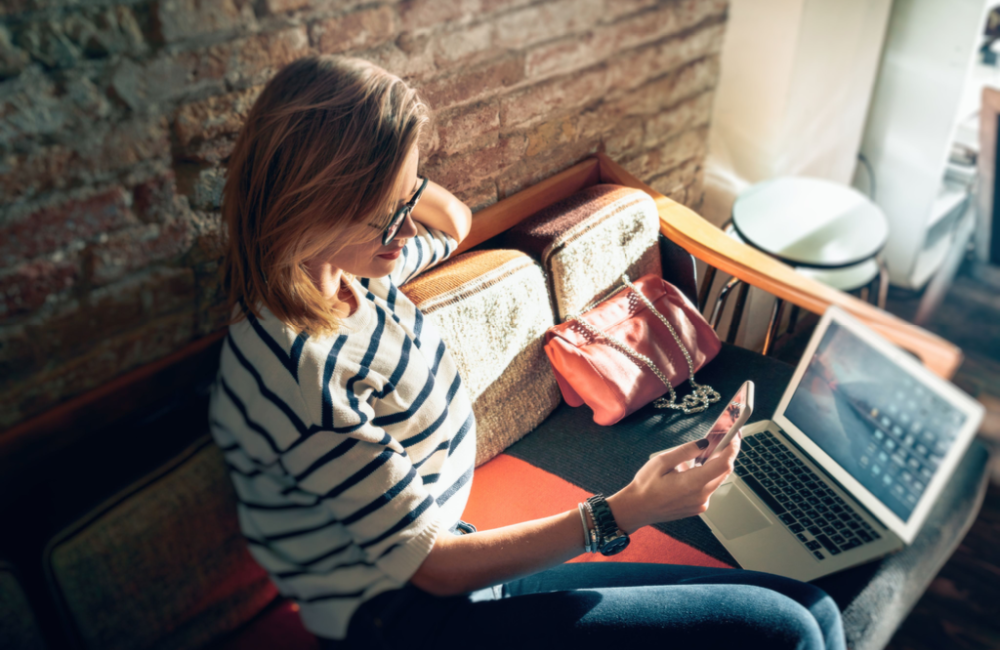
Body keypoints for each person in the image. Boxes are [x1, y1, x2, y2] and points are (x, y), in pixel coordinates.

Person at [210, 54, 846, 650]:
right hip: (409, 618)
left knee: (815, 610)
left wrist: (390, 174)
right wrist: (629, 509)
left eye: (404, 200)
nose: (405, 231)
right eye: (384, 214)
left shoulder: (359, 271)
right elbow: (429, 567)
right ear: (309, 207)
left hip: (462, 566)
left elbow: (453, 220)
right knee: (788, 632)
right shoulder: (294, 368)